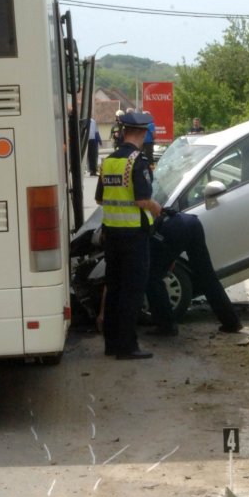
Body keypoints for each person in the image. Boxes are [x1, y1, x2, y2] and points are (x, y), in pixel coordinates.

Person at [95, 111, 162, 359]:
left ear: (123, 132)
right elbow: (142, 199)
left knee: (114, 289)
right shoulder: (138, 161)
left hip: (111, 235)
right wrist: (157, 208)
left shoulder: (109, 161)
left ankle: (111, 344)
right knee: (132, 292)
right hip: (134, 235)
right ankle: (127, 347)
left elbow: (99, 198)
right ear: (143, 133)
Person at [146, 209, 243, 336]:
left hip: (171, 230)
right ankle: (232, 322)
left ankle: (166, 326)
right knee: (207, 276)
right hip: (190, 222)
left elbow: (156, 248)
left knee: (152, 278)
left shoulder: (134, 228)